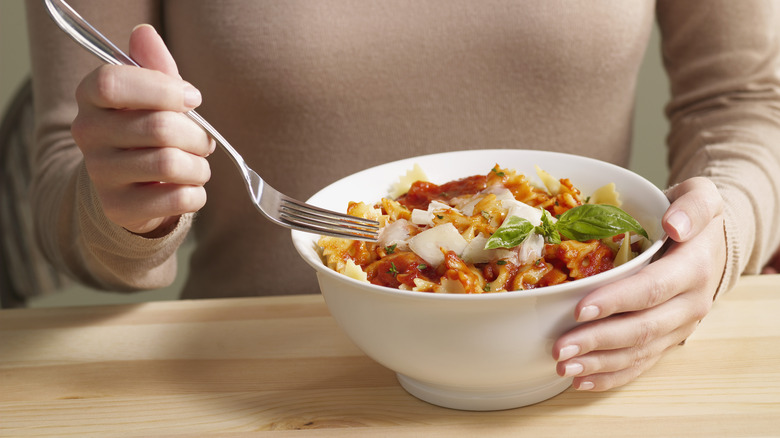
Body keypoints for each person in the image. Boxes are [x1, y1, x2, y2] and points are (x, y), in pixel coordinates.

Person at [25, 0, 780, 392]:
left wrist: (715, 234)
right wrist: (125, 201)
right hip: (252, 383)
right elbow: (65, 170)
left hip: (578, 375)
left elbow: (746, 97)